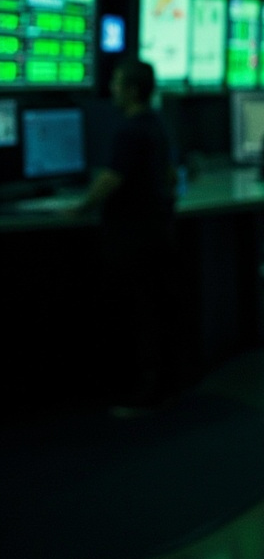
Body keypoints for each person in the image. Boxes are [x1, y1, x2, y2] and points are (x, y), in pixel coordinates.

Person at [71, 58, 179, 407]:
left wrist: (79, 207)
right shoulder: (157, 124)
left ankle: (142, 393)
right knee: (153, 313)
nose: (112, 89)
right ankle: (160, 386)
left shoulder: (129, 130)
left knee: (138, 316)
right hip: (157, 232)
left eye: (117, 83)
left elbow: (111, 179)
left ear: (132, 90)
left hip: (133, 239)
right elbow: (170, 176)